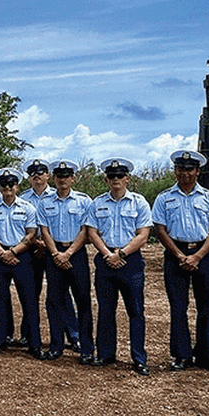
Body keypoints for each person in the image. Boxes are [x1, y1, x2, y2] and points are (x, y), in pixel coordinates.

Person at [152, 150, 209, 374]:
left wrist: (197, 256)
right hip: (175, 255)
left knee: (206, 308)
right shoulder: (164, 197)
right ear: (175, 171)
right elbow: (160, 229)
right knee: (178, 308)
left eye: (189, 169)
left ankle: (207, 357)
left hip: (204, 256)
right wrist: (179, 255)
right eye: (180, 169)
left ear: (197, 171)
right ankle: (182, 355)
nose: (184, 173)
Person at [84, 158, 153, 376]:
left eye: (120, 176)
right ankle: (105, 354)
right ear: (106, 179)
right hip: (105, 261)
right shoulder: (97, 203)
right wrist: (108, 254)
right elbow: (91, 231)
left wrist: (121, 254)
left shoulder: (139, 202)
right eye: (112, 177)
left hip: (130, 261)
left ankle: (139, 358)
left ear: (128, 179)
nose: (116, 180)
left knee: (136, 311)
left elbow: (143, 234)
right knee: (106, 310)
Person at [0, 167, 44, 360]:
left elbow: (32, 234)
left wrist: (13, 252)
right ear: (0, 187)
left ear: (17, 186)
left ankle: (34, 344)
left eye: (11, 184)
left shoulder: (28, 208)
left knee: (29, 301)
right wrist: (3, 252)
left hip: (22, 257)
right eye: (4, 185)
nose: (7, 188)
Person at [19, 158, 80, 352]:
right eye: (33, 174)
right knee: (30, 293)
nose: (37, 177)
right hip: (30, 251)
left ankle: (73, 335)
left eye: (41, 173)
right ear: (29, 178)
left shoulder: (58, 195)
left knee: (62, 294)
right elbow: (19, 227)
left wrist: (48, 246)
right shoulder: (22, 198)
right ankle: (27, 334)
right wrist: (37, 243)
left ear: (48, 176)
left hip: (55, 252)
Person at [37, 160, 95, 363]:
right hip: (54, 254)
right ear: (54, 179)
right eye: (59, 176)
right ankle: (56, 346)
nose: (62, 180)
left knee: (83, 301)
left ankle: (87, 348)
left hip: (76, 254)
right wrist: (56, 254)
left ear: (73, 178)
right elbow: (44, 230)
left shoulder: (84, 201)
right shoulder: (45, 202)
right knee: (54, 301)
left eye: (66, 176)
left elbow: (86, 231)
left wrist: (68, 253)